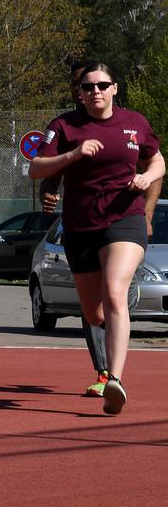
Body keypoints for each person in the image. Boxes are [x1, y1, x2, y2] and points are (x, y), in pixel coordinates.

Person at [30, 62, 165, 415]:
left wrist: (146, 179)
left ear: (114, 88)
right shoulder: (63, 126)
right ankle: (108, 355)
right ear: (80, 93)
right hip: (81, 225)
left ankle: (114, 380)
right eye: (88, 88)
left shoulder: (134, 123)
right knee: (93, 310)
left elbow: (159, 162)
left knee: (115, 292)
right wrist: (74, 154)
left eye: (103, 86)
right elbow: (37, 168)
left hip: (125, 218)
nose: (96, 92)